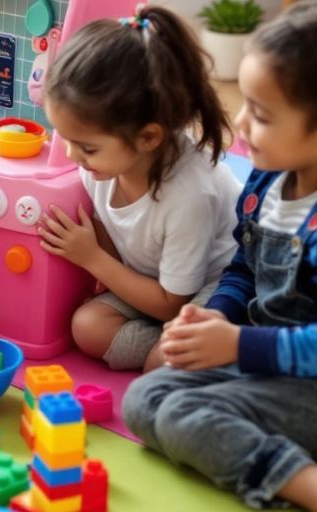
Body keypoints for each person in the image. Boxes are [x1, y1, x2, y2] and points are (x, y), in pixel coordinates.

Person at [123, 2, 317, 509]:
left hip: (307, 381)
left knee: (186, 418)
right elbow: (244, 269)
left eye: (263, 115)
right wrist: (216, 315)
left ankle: (304, 486)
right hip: (263, 363)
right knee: (146, 400)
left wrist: (238, 346)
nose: (242, 123)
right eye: (247, 104)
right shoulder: (267, 181)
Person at [38, 5, 241, 371]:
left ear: (148, 137)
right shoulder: (101, 164)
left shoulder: (190, 196)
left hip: (213, 287)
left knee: (160, 366)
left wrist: (92, 258)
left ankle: (196, 354)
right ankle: (167, 348)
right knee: (86, 327)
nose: (72, 156)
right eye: (66, 139)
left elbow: (171, 303)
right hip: (155, 283)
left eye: (86, 147)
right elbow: (116, 239)